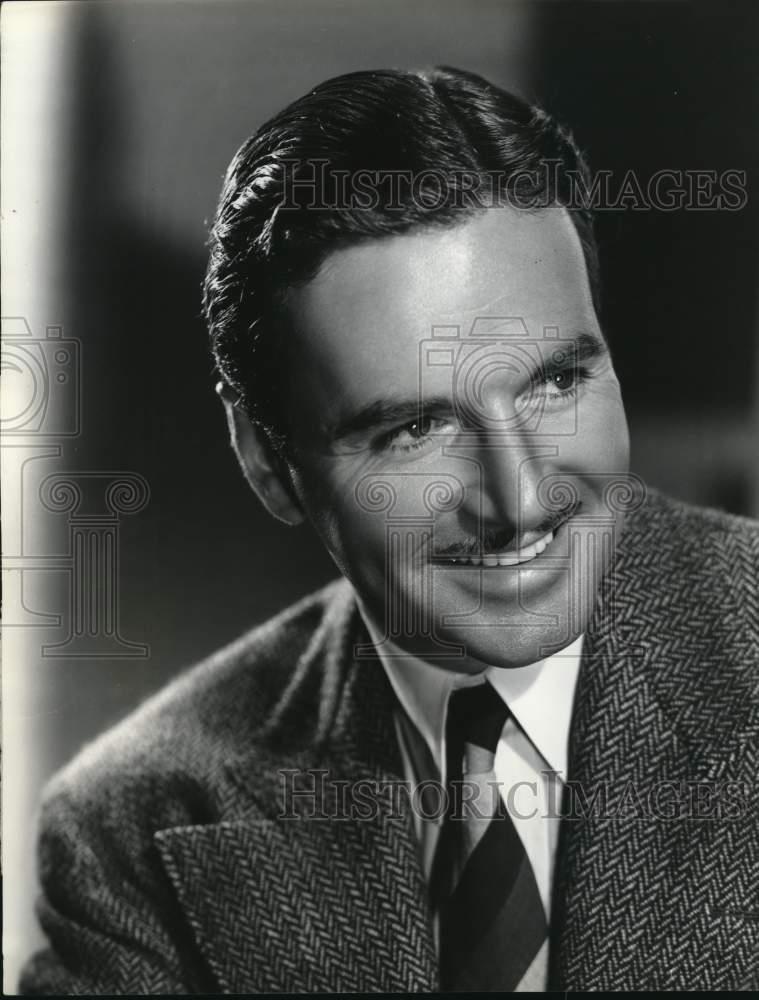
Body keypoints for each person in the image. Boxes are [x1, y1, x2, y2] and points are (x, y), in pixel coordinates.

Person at [20, 67, 758, 994]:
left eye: (556, 382)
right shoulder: (132, 833)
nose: (520, 499)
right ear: (267, 462)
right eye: (414, 429)